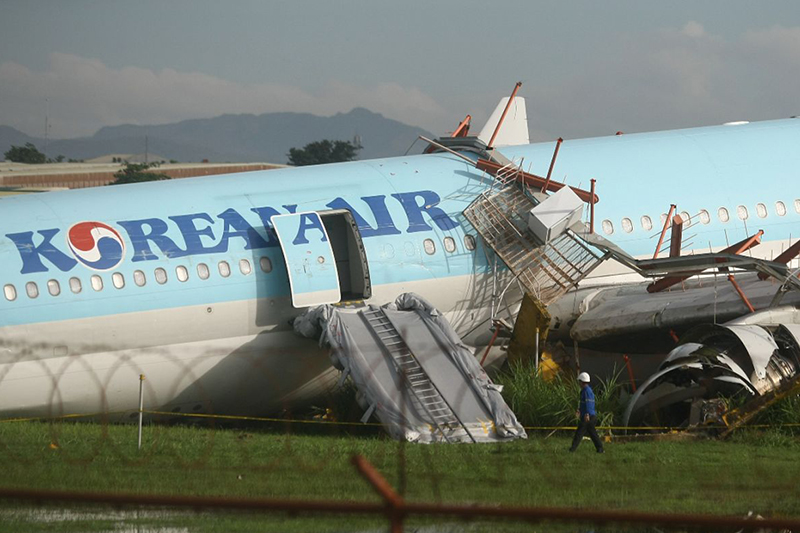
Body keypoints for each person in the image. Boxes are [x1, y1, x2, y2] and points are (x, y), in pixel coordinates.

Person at [569, 372, 604, 453]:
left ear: (582, 381)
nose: (579, 383)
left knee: (579, 433)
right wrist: (579, 410)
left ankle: (572, 449)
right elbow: (583, 403)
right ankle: (600, 448)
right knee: (592, 433)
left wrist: (587, 414)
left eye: (579, 381)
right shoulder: (585, 391)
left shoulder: (586, 391)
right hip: (589, 416)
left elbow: (589, 404)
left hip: (588, 416)